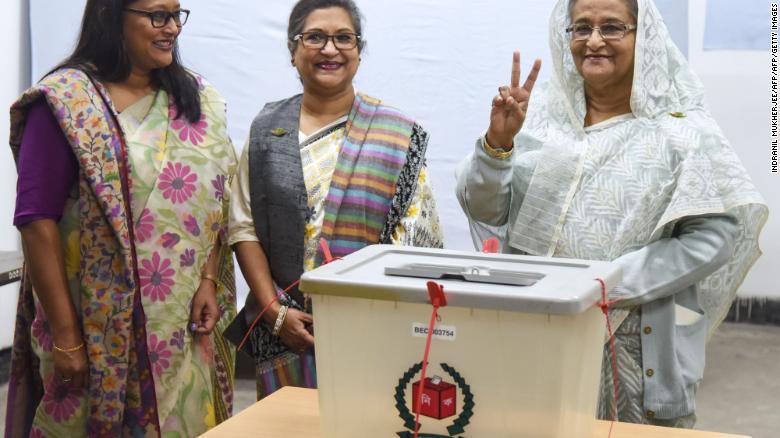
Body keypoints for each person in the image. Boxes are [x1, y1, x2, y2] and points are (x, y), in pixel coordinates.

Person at [456, 0, 767, 428]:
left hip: (632, 350)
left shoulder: (680, 130)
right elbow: (487, 210)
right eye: (581, 27)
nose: (594, 41)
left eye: (613, 27)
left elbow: (714, 238)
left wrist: (606, 283)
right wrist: (498, 144)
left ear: (645, 37)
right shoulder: (539, 116)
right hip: (535, 333)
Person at [5, 0, 237, 436]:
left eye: (176, 15)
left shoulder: (197, 99)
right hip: (93, 329)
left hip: (181, 328)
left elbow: (216, 198)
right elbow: (36, 222)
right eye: (157, 16)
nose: (171, 29)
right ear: (112, 17)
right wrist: (67, 335)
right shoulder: (64, 102)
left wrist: (208, 279)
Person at [229, 0, 443, 400]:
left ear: (359, 51)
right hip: (285, 331)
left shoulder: (395, 135)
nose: (330, 50)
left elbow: (417, 241)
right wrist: (274, 313)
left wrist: (357, 315)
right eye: (315, 37)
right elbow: (243, 226)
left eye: (344, 38)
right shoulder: (266, 130)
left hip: (371, 333)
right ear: (293, 52)